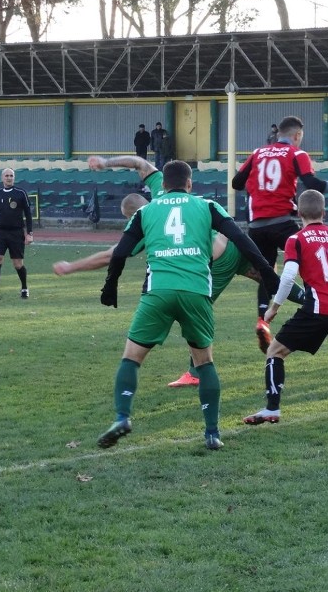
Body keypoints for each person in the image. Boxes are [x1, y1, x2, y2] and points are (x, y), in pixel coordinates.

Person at [56, 156, 306, 388]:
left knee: (194, 313)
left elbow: (111, 255)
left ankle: (195, 374)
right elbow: (140, 163)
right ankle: (315, 300)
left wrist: (72, 267)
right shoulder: (160, 189)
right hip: (228, 245)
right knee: (270, 280)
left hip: (212, 265)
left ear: (131, 215)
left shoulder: (147, 220)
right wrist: (105, 162)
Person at [95, 160, 280, 451]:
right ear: (190, 184)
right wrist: (267, 273)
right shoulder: (207, 206)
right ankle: (212, 433)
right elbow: (241, 240)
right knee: (204, 362)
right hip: (196, 294)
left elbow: (119, 253)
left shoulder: (146, 211)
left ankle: (122, 416)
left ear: (163, 186)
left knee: (131, 358)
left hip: (159, 292)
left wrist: (111, 287)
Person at [243, 189, 328, 426]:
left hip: (317, 308)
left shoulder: (297, 239)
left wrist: (274, 307)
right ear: (324, 213)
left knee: (275, 351)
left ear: (298, 211)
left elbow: (286, 279)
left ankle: (272, 408)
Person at [232, 115, 328, 353]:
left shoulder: (258, 152)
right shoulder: (296, 154)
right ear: (297, 136)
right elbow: (315, 185)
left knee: (266, 272)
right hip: (282, 221)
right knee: (314, 258)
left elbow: (236, 182)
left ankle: (263, 320)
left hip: (257, 226)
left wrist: (256, 189)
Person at [0, 168, 33, 300]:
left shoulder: (21, 193)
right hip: (0, 232)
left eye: (11, 176)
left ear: (14, 178)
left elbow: (28, 214)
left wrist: (29, 233)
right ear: (2, 178)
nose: (9, 178)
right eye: (7, 176)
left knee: (18, 264)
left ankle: (24, 288)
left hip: (16, 233)